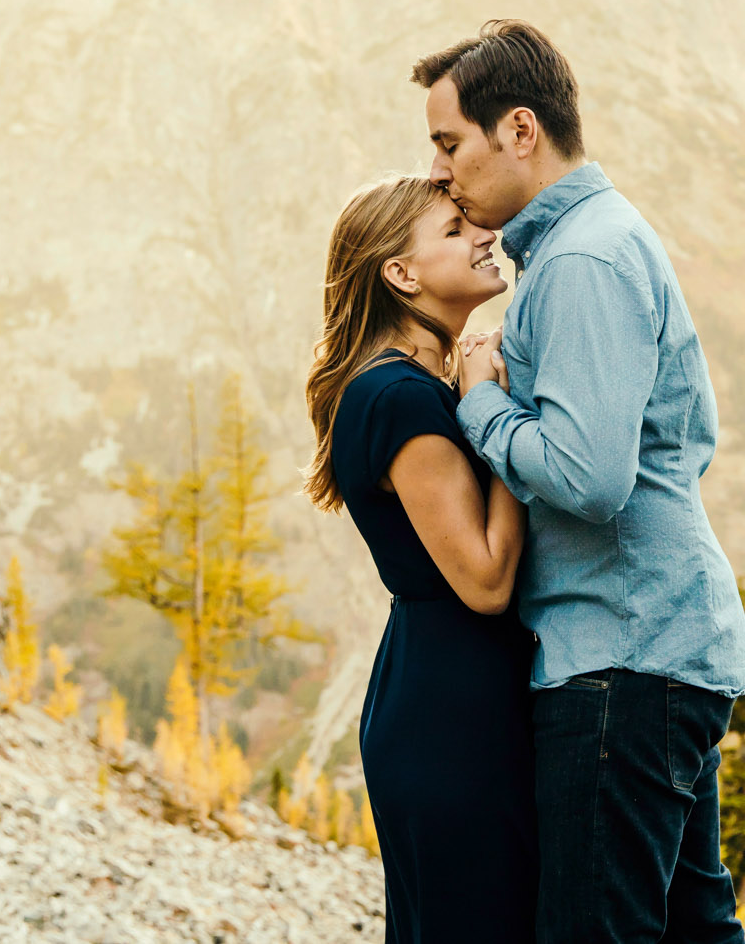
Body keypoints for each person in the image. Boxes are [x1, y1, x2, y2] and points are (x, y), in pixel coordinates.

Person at [413, 20, 745, 944]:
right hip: (658, 649)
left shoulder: (582, 261)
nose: (440, 170)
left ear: (519, 130)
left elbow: (589, 475)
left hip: (621, 659)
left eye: (450, 144)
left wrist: (481, 401)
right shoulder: (588, 246)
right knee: (694, 928)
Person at [303, 174, 537, 944]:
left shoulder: (403, 387)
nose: (482, 236)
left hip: (441, 690)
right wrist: (492, 407)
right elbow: (486, 578)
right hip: (453, 714)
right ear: (401, 275)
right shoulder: (401, 396)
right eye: (451, 229)